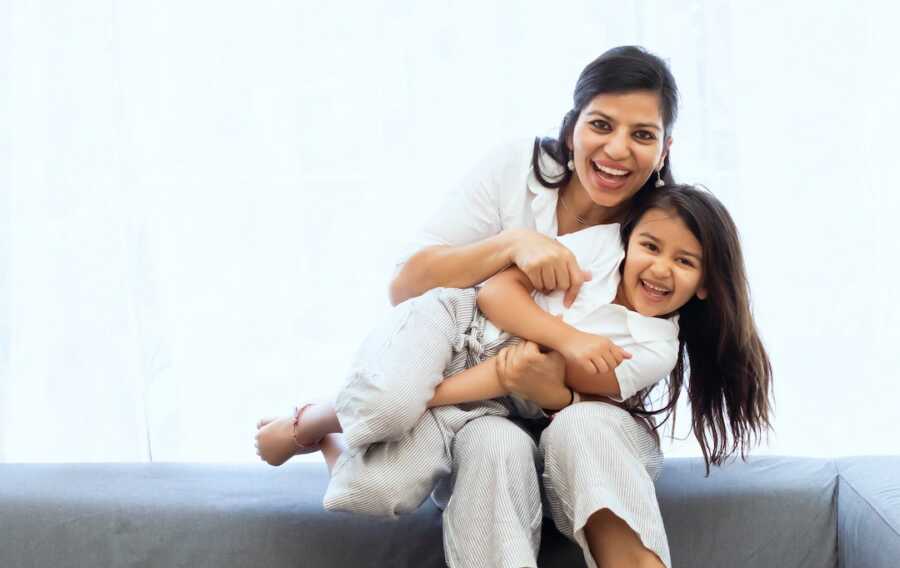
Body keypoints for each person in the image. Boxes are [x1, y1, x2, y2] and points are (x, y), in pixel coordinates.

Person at [258, 46, 773, 568]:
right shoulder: (540, 190)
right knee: (482, 447)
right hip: (479, 400)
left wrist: (540, 374)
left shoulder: (652, 227)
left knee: (580, 425)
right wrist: (511, 244)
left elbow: (554, 382)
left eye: (642, 135)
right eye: (601, 124)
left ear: (664, 149)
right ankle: (316, 422)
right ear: (573, 125)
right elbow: (413, 288)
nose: (618, 150)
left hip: (577, 418)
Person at [256, 184, 715, 472]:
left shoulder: (655, 351)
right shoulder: (605, 246)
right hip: (457, 320)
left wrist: (427, 396)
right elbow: (494, 294)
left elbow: (520, 374)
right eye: (650, 247)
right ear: (630, 240)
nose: (660, 269)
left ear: (704, 284)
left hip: (489, 394)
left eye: (684, 261)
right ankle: (309, 418)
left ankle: (327, 441)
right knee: (391, 405)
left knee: (367, 492)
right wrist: (570, 338)